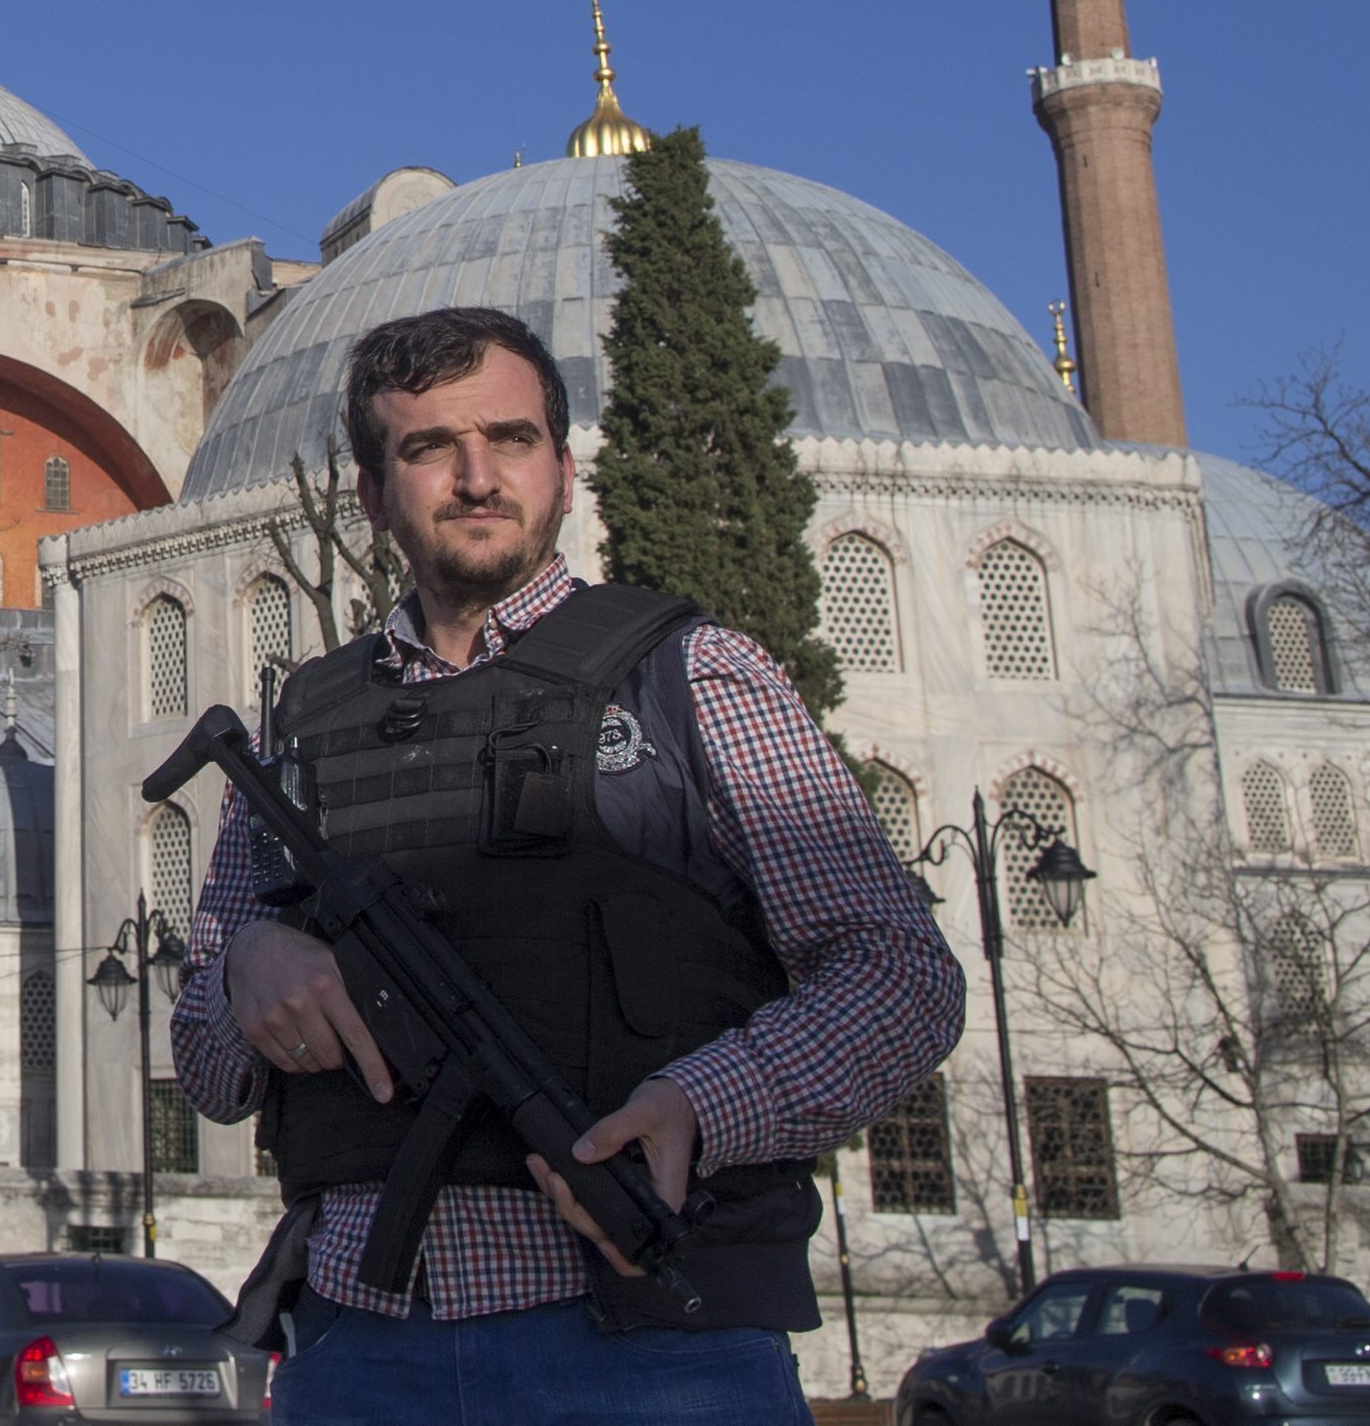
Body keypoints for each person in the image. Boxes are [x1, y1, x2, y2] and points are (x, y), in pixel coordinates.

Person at [172, 305, 964, 1422]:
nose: (478, 477)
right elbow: (209, 1073)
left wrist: (704, 1102)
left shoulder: (690, 678)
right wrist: (245, 963)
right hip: (359, 1347)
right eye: (430, 447)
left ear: (564, 468)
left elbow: (900, 977)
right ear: (370, 491)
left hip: (648, 1350)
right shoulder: (302, 728)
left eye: (511, 440)